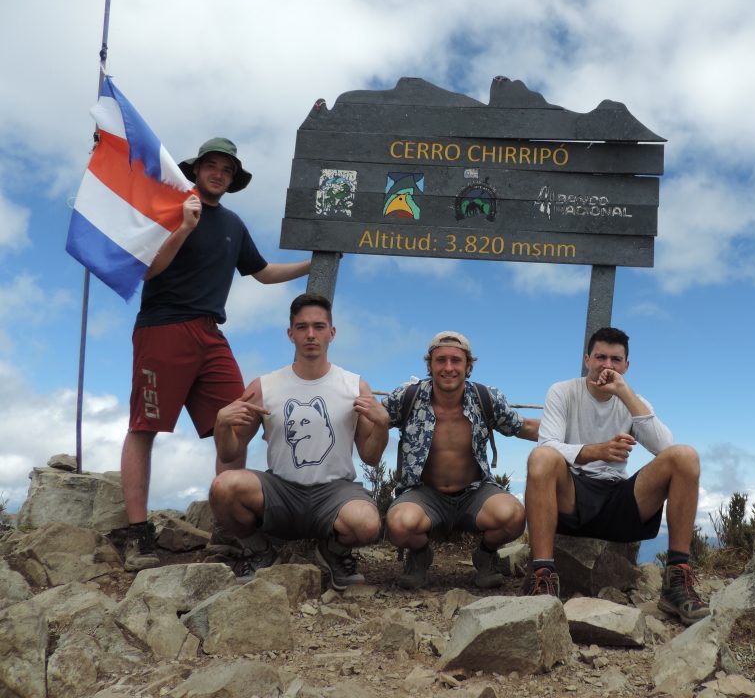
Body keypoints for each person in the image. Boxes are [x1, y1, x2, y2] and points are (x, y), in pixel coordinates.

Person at [120, 138, 311, 571]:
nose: (219, 173)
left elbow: (261, 273)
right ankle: (137, 536)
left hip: (211, 332)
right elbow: (147, 269)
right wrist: (184, 226)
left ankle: (225, 530)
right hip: (163, 327)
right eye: (212, 165)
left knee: (239, 421)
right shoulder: (172, 207)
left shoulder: (234, 223)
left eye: (227, 168)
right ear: (197, 169)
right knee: (145, 426)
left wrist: (314, 263)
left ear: (232, 178)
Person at [522, 326, 709, 625]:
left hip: (619, 498)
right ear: (587, 359)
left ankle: (676, 579)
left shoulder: (634, 400)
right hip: (573, 495)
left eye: (615, 359)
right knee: (542, 457)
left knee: (685, 456)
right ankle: (542, 576)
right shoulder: (563, 391)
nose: (607, 365)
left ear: (626, 366)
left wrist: (624, 393)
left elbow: (665, 447)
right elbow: (547, 444)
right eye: (600, 357)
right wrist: (597, 451)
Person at [207, 293, 389, 586]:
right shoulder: (263, 387)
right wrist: (221, 426)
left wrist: (381, 426)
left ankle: (332, 552)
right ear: (290, 334)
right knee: (223, 487)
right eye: (302, 327)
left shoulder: (354, 386)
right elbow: (230, 453)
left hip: (334, 492)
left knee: (367, 524)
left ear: (332, 332)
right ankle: (260, 552)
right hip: (281, 490)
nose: (311, 335)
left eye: (318, 326)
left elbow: (370, 456)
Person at [370, 332, 539, 590]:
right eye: (441, 360)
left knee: (513, 517)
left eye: (456, 360)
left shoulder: (486, 398)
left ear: (468, 365)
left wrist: (574, 435)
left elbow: (523, 426)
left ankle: (485, 554)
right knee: (398, 524)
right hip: (423, 493)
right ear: (430, 365)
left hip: (475, 492)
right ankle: (420, 555)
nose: (448, 367)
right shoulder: (408, 397)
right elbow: (373, 420)